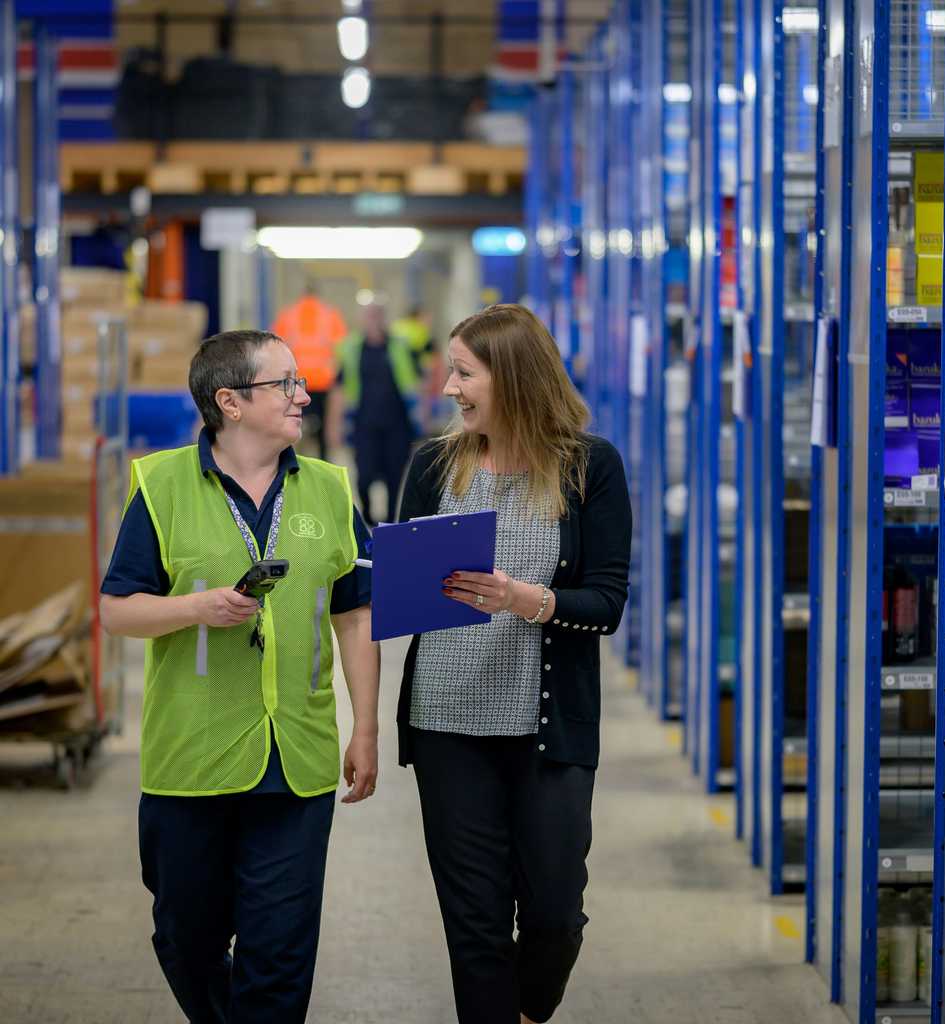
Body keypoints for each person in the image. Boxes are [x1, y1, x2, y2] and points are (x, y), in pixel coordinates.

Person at [99, 329, 380, 1024]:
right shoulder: (161, 486)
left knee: (279, 953)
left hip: (298, 759)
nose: (302, 393)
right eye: (284, 383)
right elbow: (115, 610)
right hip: (191, 758)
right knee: (186, 939)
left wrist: (365, 726)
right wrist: (194, 607)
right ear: (230, 401)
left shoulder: (328, 488)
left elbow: (354, 615)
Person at [396, 303, 632, 1024]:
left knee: (556, 916)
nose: (449, 387)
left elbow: (607, 602)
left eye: (464, 373)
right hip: (447, 725)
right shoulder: (432, 464)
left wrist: (526, 599)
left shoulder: (591, 467)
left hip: (546, 733)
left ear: (515, 378)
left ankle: (529, 1011)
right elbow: (405, 595)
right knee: (476, 928)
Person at [332, 302, 420, 525]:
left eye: (377, 315)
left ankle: (391, 523)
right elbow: (340, 389)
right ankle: (369, 515)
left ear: (384, 318)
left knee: (395, 477)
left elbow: (418, 379)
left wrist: (423, 414)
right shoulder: (352, 348)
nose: (373, 320)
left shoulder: (399, 346)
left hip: (397, 424)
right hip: (364, 425)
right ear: (361, 319)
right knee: (364, 477)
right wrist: (334, 425)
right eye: (369, 315)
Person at [271, 281, 348, 461]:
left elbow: (275, 346)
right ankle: (322, 462)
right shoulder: (330, 314)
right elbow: (341, 348)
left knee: (293, 425)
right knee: (322, 430)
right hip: (323, 380)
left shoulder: (288, 314)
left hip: (296, 381)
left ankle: (293, 462)